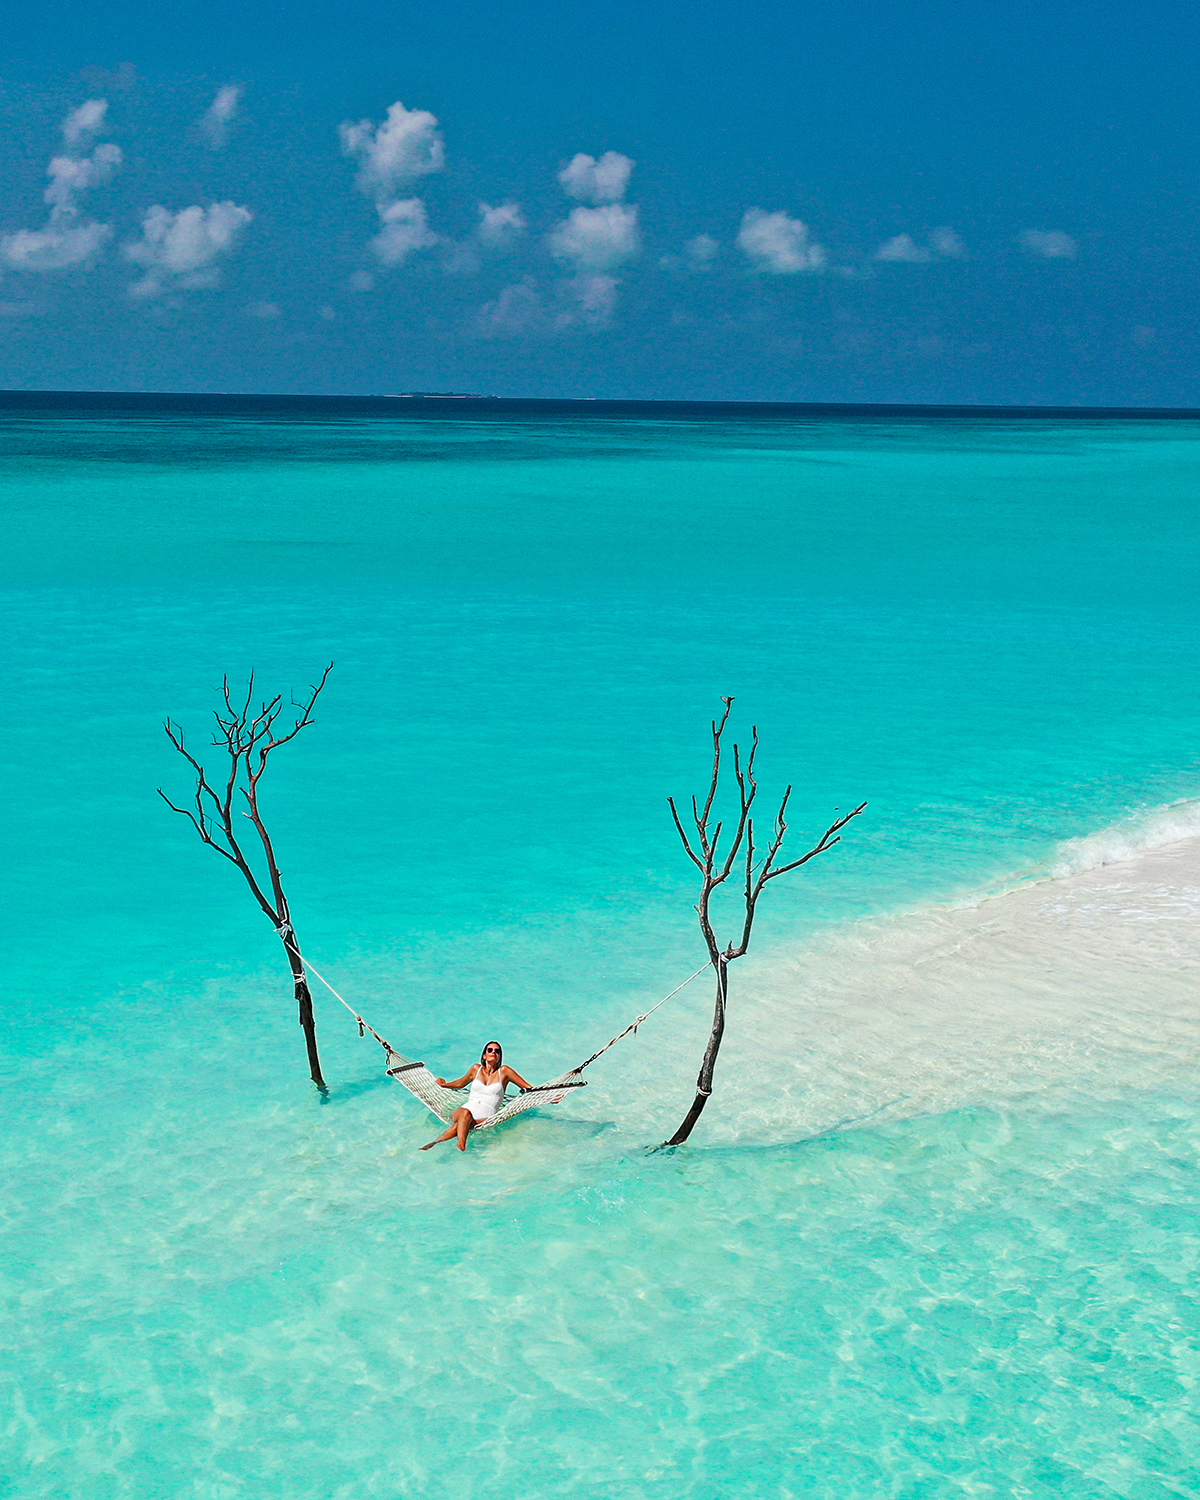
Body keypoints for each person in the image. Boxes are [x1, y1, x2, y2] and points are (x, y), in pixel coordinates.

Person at [420, 1041, 532, 1151]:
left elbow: (527, 1087)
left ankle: (435, 1143)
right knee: (466, 1113)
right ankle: (461, 1145)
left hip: (485, 1118)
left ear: (499, 1057)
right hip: (463, 1111)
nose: (493, 1052)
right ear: (484, 1056)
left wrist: (540, 1094)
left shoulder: (504, 1071)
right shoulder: (476, 1069)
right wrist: (444, 1085)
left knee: (460, 1125)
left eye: (497, 1051)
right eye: (490, 1050)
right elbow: (460, 1083)